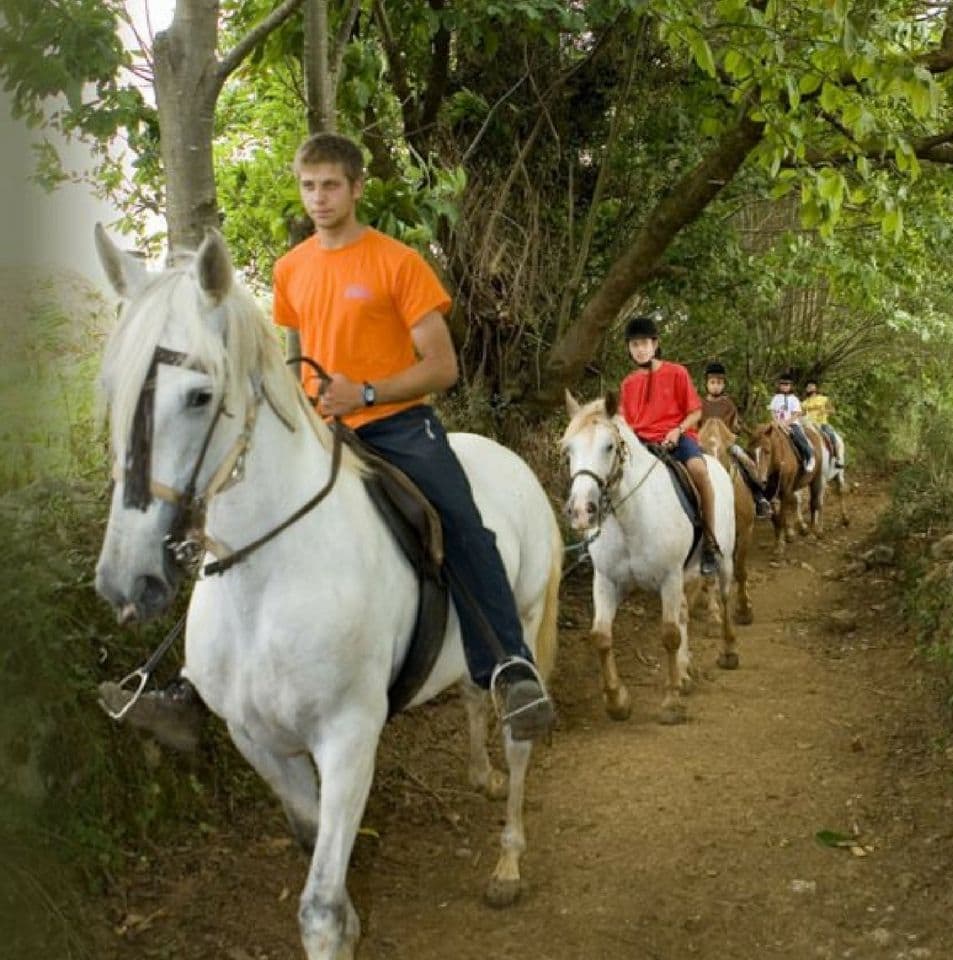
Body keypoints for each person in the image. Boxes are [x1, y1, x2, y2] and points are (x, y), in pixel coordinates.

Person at [102, 133, 554, 747]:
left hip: (398, 426)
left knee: (461, 522)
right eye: (309, 186)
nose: (319, 198)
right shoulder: (291, 270)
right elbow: (300, 356)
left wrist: (366, 394)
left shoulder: (398, 262)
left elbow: (443, 367)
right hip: (318, 426)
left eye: (331, 186)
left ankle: (508, 665)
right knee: (229, 522)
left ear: (357, 188)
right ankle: (192, 684)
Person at [618, 317, 720, 577]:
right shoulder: (628, 383)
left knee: (698, 470)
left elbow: (695, 412)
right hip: (642, 443)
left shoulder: (677, 372)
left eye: (644, 343)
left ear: (655, 344)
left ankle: (709, 540)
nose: (639, 349)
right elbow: (625, 422)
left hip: (677, 437)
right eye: (634, 345)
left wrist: (678, 430)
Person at [700, 360, 771, 520]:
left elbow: (734, 425)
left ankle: (759, 498)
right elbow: (696, 427)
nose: (715, 386)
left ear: (724, 384)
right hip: (704, 444)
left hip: (726, 444)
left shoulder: (728, 404)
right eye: (712, 382)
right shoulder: (700, 404)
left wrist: (738, 432)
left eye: (719, 383)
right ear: (706, 384)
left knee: (747, 461)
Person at [769, 373, 816, 473]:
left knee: (799, 438)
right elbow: (772, 411)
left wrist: (786, 423)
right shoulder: (776, 398)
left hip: (792, 424)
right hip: (777, 423)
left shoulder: (794, 399)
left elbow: (796, 414)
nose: (784, 387)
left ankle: (809, 457)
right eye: (782, 384)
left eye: (787, 385)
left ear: (790, 386)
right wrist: (776, 421)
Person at [803, 379, 845, 468]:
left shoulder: (824, 399)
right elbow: (801, 414)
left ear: (815, 388)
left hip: (822, 423)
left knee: (831, 435)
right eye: (808, 387)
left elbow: (833, 410)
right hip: (808, 424)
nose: (809, 388)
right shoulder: (804, 402)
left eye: (811, 386)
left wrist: (825, 410)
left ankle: (838, 458)